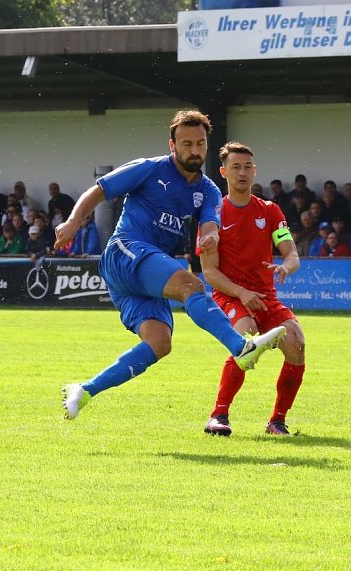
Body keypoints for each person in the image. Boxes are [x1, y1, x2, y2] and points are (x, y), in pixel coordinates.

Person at [55, 110, 285, 421]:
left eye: (200, 144)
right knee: (191, 283)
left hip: (147, 274)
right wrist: (72, 222)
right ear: (172, 144)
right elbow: (100, 190)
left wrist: (211, 237)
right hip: (126, 251)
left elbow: (209, 224)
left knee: (160, 343)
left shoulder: (208, 190)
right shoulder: (149, 169)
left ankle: (84, 390)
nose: (194, 151)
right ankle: (240, 347)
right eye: (186, 143)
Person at [199, 141, 305, 436]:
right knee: (246, 339)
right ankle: (218, 415)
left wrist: (286, 266)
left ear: (255, 170)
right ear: (224, 172)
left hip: (265, 297)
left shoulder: (270, 211)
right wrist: (242, 293)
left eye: (247, 167)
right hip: (231, 294)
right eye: (236, 167)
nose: (242, 173)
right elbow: (209, 272)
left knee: (296, 343)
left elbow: (292, 254)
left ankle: (277, 421)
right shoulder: (212, 215)